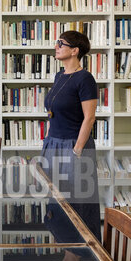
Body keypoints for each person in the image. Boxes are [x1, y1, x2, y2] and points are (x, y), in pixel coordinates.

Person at [41, 30, 102, 242]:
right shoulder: (59, 76)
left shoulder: (85, 79)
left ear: (75, 50)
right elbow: (53, 113)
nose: (56, 46)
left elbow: (89, 118)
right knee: (55, 200)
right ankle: (65, 243)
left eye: (61, 43)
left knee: (76, 201)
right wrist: (48, 141)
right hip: (53, 145)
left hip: (73, 147)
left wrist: (76, 150)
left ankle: (81, 250)